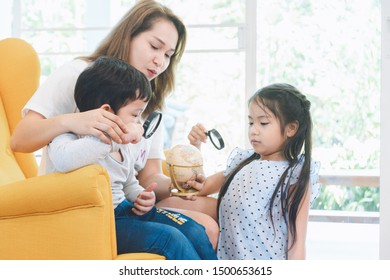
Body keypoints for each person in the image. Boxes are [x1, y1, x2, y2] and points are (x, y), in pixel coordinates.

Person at [10, 0, 219, 248]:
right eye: (154, 46)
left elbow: (148, 175)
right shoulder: (80, 75)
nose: (160, 62)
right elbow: (20, 139)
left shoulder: (150, 102)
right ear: (129, 36)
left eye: (168, 55)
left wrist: (180, 185)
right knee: (191, 231)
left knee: (212, 217)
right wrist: (75, 121)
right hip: (79, 204)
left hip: (126, 200)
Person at [46, 56, 217, 260]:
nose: (138, 121)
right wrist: (113, 137)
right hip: (98, 222)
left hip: (126, 211)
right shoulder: (69, 138)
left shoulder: (124, 147)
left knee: (194, 230)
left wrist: (141, 196)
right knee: (170, 238)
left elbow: (128, 184)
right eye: (135, 114)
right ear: (107, 112)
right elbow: (66, 160)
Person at [186, 83, 321, 260]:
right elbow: (199, 187)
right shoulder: (243, 162)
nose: (253, 130)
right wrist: (195, 147)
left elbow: (296, 245)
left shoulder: (294, 175)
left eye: (263, 123)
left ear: (291, 128)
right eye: (251, 122)